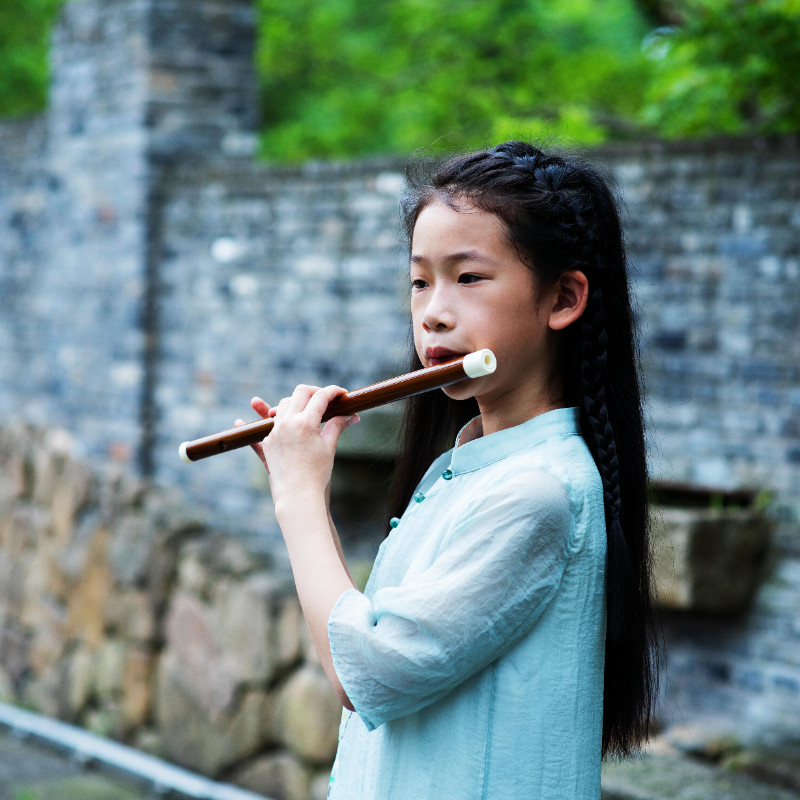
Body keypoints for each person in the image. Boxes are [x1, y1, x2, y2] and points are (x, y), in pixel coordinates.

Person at [239, 141, 657, 799]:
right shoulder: (469, 468)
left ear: (563, 298)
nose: (433, 310)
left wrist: (297, 491)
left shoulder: (538, 491)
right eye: (419, 280)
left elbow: (366, 673)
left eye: (468, 278)